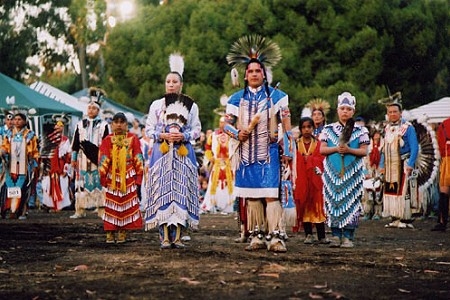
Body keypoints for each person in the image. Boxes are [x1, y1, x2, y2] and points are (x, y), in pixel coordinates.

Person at [224, 35, 294, 252]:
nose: (254, 74)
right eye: (251, 71)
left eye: (258, 71)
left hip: (269, 153)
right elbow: (225, 126)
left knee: (271, 194)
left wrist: (288, 151)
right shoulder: (236, 99)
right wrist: (238, 133)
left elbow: (288, 127)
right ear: (245, 75)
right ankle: (257, 235)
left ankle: (276, 236)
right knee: (252, 195)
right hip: (246, 155)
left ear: (264, 74)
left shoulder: (277, 96)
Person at [144, 53, 201, 249]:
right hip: (161, 154)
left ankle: (178, 235)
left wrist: (183, 136)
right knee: (163, 190)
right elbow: (148, 129)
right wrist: (163, 135)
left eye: (175, 81)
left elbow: (197, 130)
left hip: (183, 153)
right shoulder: (156, 105)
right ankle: (164, 236)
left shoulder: (192, 107)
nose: (170, 84)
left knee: (181, 190)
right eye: (168, 81)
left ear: (181, 85)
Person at [320, 92, 369, 248]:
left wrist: (349, 150)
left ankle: (348, 236)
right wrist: (336, 148)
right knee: (333, 202)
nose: (345, 111)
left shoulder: (361, 131)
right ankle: (335, 235)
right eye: (342, 108)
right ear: (337, 110)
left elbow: (364, 151)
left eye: (348, 109)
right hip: (332, 174)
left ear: (353, 111)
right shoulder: (328, 129)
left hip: (352, 174)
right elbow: (322, 150)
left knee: (352, 202)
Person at [98, 112, 144, 243]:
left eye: (121, 122)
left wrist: (139, 178)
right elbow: (103, 159)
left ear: (126, 124)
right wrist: (103, 176)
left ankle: (122, 231)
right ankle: (110, 232)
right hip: (112, 175)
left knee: (125, 204)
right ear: (112, 124)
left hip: (128, 175)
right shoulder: (107, 140)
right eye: (116, 122)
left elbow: (138, 158)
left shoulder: (133, 138)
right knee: (111, 204)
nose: (119, 125)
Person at [70, 87, 110, 219]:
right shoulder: (80, 125)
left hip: (98, 158)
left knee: (99, 183)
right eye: (89, 108)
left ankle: (101, 210)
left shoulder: (104, 125)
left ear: (98, 110)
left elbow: (106, 143)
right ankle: (80, 210)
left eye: (94, 108)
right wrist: (73, 159)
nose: (91, 110)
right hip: (82, 160)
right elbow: (75, 143)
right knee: (81, 184)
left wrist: (105, 160)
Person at [379, 100, 419, 228]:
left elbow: (414, 147)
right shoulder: (387, 128)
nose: (392, 114)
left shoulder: (408, 128)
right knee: (391, 189)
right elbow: (384, 149)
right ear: (387, 114)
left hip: (403, 162)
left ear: (400, 113)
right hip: (390, 165)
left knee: (404, 190)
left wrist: (411, 164)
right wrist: (381, 165)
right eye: (390, 112)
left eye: (395, 112)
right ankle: (395, 216)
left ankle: (405, 218)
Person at [294, 117, 329, 244]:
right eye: (303, 127)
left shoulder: (318, 143)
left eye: (309, 127)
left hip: (315, 180)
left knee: (318, 206)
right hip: (302, 180)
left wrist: (310, 160)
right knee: (304, 205)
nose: (306, 129)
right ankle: (308, 235)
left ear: (313, 128)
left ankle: (322, 236)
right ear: (300, 129)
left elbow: (321, 158)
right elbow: (293, 161)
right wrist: (302, 160)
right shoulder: (296, 143)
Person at [1, 112, 39, 219]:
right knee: (10, 187)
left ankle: (21, 211)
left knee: (22, 188)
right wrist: (3, 152)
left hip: (25, 165)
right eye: (15, 119)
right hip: (10, 165)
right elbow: (5, 147)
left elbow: (35, 151)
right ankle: (10, 210)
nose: (16, 121)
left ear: (24, 121)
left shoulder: (30, 135)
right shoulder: (8, 134)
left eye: (19, 119)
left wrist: (35, 164)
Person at [201, 116, 235, 214]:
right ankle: (212, 204)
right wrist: (211, 158)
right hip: (217, 164)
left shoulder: (233, 134)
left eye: (225, 122)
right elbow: (207, 147)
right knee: (215, 185)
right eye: (221, 122)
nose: (223, 124)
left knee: (229, 186)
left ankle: (229, 206)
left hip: (229, 164)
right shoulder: (213, 135)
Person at [40, 114, 73, 212]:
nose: (59, 128)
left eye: (61, 126)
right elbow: (44, 155)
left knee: (62, 185)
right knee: (48, 185)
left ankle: (59, 206)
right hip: (50, 166)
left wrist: (66, 169)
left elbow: (68, 155)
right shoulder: (48, 137)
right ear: (54, 126)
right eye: (57, 125)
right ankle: (49, 205)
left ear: (63, 128)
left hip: (61, 166)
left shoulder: (66, 140)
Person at [432, 116, 450, 231]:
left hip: (447, 159)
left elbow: (439, 144)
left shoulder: (444, 124)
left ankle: (442, 221)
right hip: (447, 158)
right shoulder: (444, 124)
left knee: (444, 191)